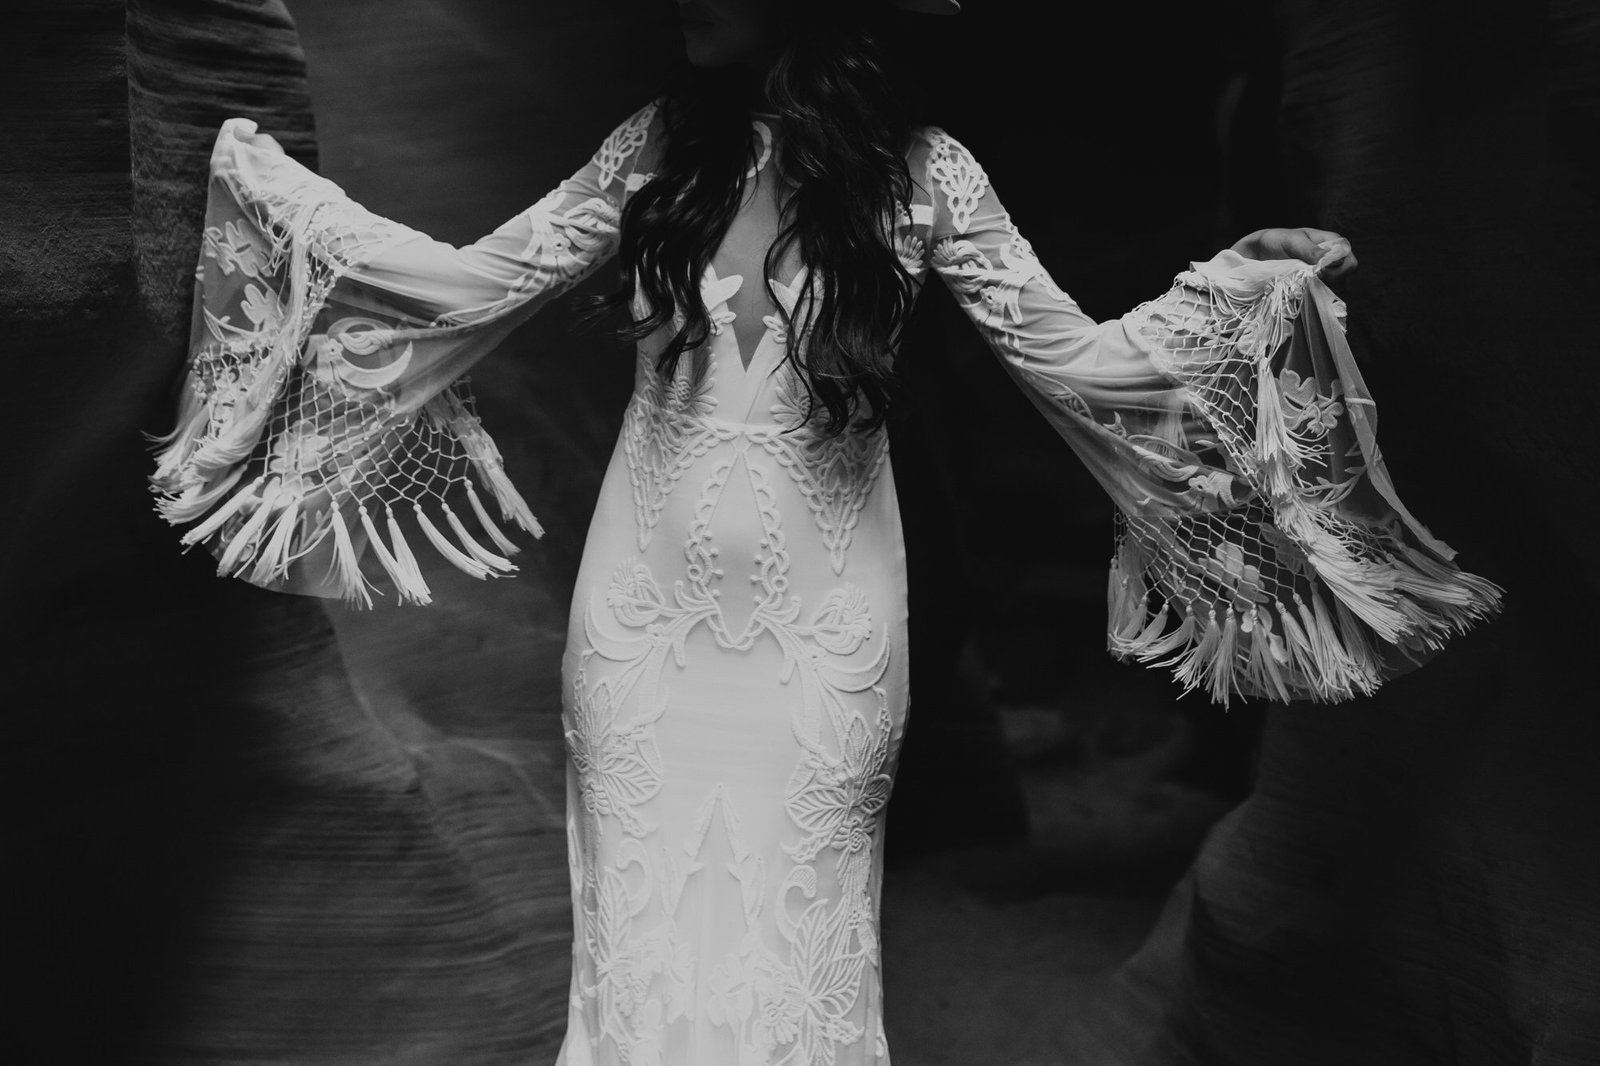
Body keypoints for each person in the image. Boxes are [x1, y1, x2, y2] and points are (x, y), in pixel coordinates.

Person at [145, 0, 1503, 1061]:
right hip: (640, 625)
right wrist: (284, 206)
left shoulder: (926, 180)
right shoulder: (655, 152)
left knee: (800, 949)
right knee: (643, 952)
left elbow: (1083, 375)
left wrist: (1251, 309)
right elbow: (464, 291)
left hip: (828, 630)